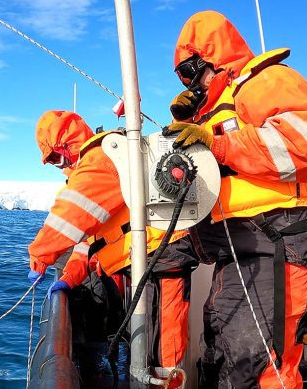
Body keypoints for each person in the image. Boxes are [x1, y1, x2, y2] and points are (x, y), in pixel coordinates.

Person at [164, 10, 307, 388]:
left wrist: (218, 144)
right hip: (241, 246)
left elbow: (299, 145)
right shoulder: (221, 108)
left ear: (211, 59)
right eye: (183, 78)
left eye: (191, 72)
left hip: (278, 242)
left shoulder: (267, 81)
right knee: (224, 347)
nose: (190, 83)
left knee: (259, 366)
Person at [27, 110, 194, 376]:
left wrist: (39, 255)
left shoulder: (99, 160)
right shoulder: (97, 165)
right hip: (146, 258)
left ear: (69, 145)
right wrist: (69, 278)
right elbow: (89, 243)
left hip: (162, 256)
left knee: (164, 349)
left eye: (57, 157)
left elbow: (69, 214)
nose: (59, 166)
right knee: (150, 344)